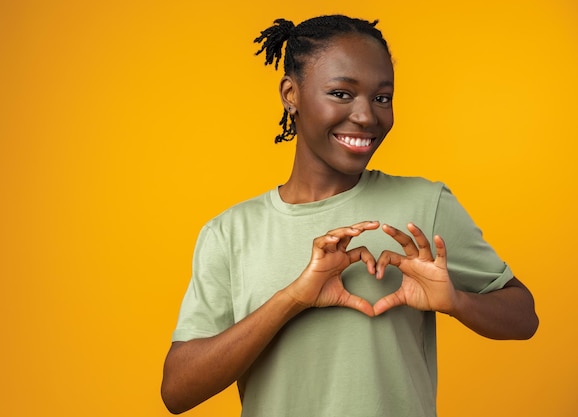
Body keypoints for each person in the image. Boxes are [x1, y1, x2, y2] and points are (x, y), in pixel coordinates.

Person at [161, 15, 538, 417]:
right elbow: (178, 391)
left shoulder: (425, 204)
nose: (366, 116)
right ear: (291, 93)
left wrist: (457, 301)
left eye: (382, 97)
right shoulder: (230, 233)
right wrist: (293, 298)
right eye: (342, 93)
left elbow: (524, 316)